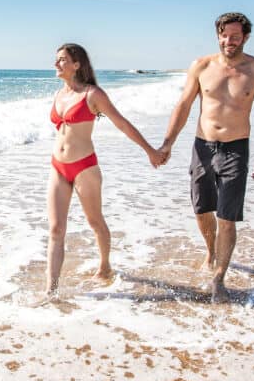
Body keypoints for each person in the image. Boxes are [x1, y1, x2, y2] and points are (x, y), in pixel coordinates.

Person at [158, 12, 254, 303]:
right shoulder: (201, 66)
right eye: (224, 35)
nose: (228, 41)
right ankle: (211, 250)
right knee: (201, 209)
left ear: (245, 37)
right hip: (203, 146)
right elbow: (183, 105)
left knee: (227, 217)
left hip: (236, 148)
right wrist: (167, 143)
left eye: (235, 36)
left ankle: (219, 278)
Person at [45, 43, 165, 298]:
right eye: (56, 60)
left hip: (84, 167)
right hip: (58, 166)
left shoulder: (92, 94)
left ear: (77, 65)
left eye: (62, 60)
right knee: (55, 229)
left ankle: (105, 265)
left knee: (95, 221)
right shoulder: (59, 94)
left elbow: (121, 123)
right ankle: (51, 291)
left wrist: (150, 150)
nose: (56, 64)